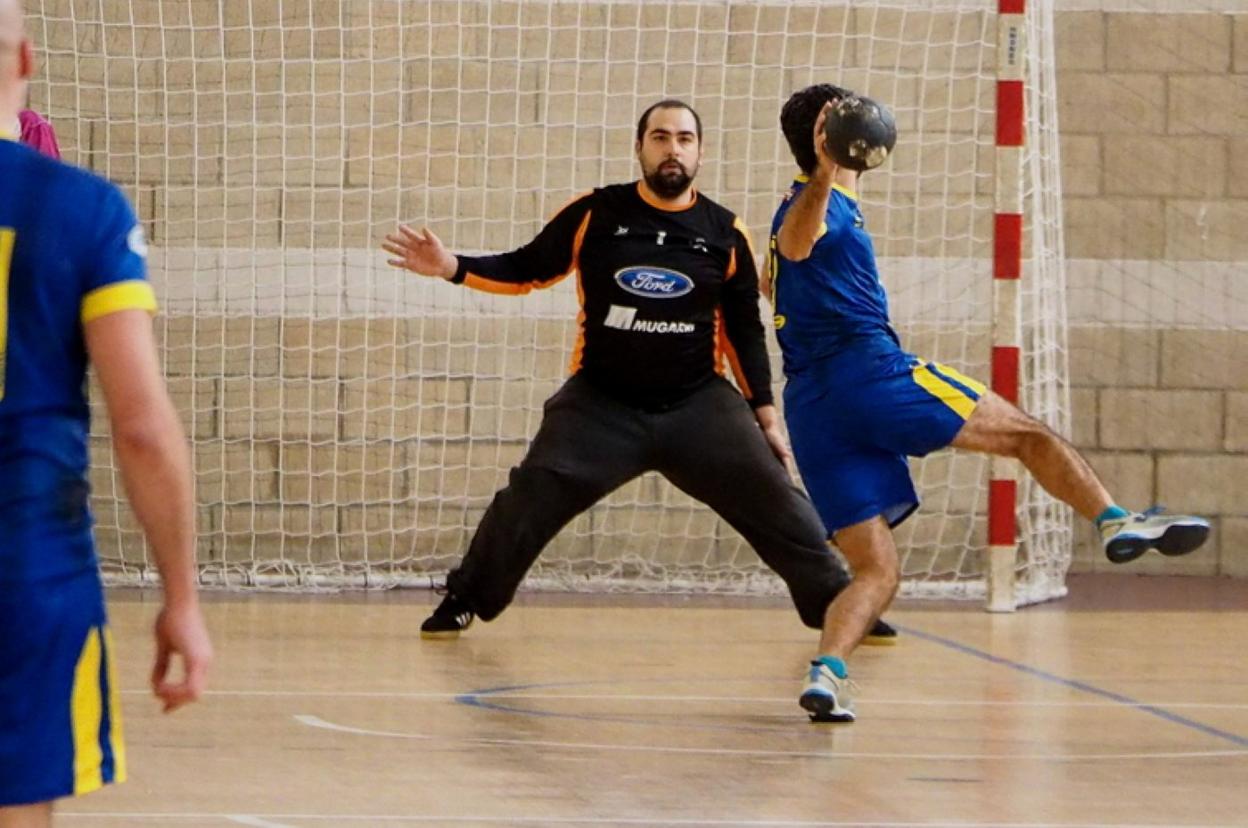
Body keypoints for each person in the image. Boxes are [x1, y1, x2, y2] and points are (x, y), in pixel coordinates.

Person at [383, 98, 900, 691]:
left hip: (698, 406)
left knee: (779, 501)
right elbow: (527, 268)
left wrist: (764, 414)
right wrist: (452, 265)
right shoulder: (596, 213)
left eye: (684, 138)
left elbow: (743, 329)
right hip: (601, 404)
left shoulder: (724, 231)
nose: (672, 149)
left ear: (699, 153)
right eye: (660, 137)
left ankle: (836, 604)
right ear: (640, 148)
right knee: (527, 497)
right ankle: (465, 599)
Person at [768, 84, 1211, 723]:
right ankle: (1115, 519)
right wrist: (824, 169)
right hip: (870, 373)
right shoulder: (819, 203)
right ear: (827, 137)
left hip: (814, 410)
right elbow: (796, 245)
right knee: (1028, 435)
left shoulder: (805, 209)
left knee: (876, 570)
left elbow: (775, 275)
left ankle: (828, 674)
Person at [0, 2, 212, 823]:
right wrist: (181, 597)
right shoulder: (82, 208)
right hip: (27, 571)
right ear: (27, 59)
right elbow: (142, 427)